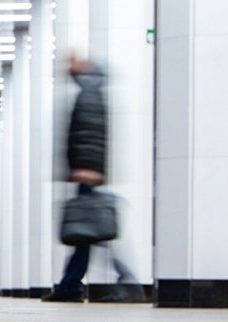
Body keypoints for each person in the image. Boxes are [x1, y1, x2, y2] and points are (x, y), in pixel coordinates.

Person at [43, 56, 143, 303]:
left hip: (87, 172)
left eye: (70, 63)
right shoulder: (90, 90)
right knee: (87, 233)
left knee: (89, 231)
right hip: (86, 171)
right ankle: (72, 285)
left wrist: (87, 169)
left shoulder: (89, 93)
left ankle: (123, 282)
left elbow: (90, 133)